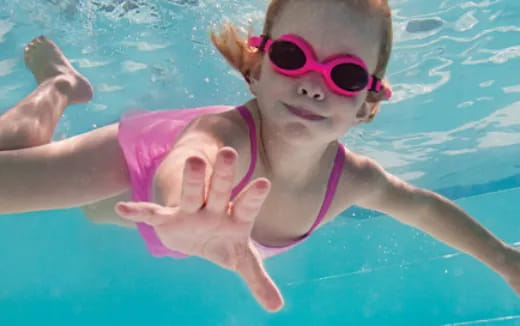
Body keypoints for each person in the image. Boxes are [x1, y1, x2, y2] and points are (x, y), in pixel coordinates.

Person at [0, 0, 518, 313]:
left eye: (346, 75)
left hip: (176, 226)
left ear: (367, 104)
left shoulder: (355, 180)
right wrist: (182, 208)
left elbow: (423, 207)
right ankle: (60, 85)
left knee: (96, 211)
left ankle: (63, 94)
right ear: (255, 70)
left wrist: (506, 261)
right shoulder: (225, 135)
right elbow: (192, 155)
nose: (315, 85)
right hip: (149, 170)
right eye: (292, 57)